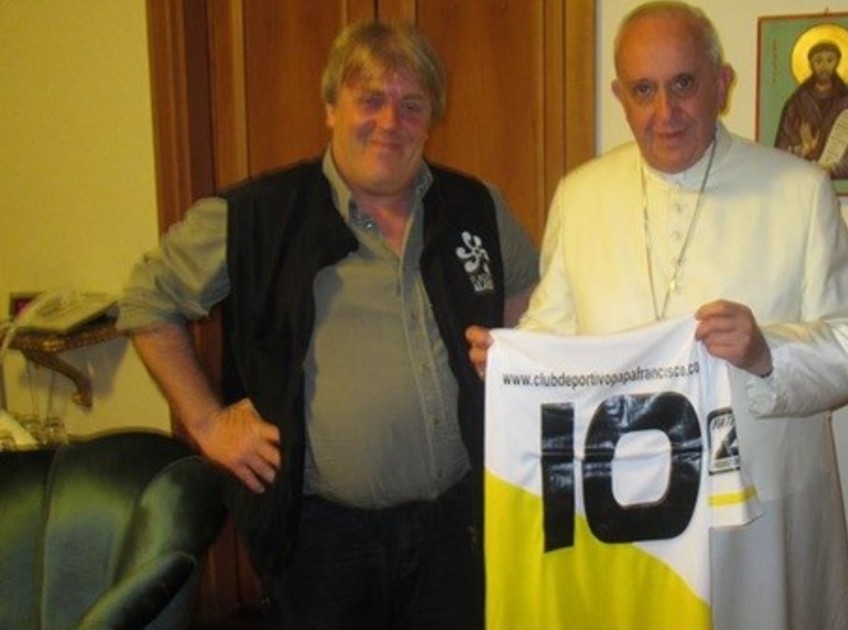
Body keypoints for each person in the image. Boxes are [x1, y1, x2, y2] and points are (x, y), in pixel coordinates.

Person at [466, 2, 848, 629]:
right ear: (620, 96)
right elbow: (551, 333)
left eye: (684, 84)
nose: (665, 112)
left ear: (722, 84)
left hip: (755, 519)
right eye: (644, 90)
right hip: (624, 517)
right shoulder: (581, 194)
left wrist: (767, 353)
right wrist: (508, 365)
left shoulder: (798, 191)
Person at [118, 20, 538, 630]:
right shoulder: (254, 216)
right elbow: (146, 302)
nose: (390, 122)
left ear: (432, 118)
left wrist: (515, 352)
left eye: (411, 105)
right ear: (331, 108)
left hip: (458, 528)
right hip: (323, 543)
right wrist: (206, 422)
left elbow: (527, 289)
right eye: (370, 100)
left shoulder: (477, 206)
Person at [774, 40, 848, 180]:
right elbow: (778, 156)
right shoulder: (796, 103)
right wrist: (803, 150)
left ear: (837, 63)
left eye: (830, 60)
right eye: (818, 61)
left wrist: (830, 170)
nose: (824, 66)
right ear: (811, 64)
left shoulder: (846, 103)